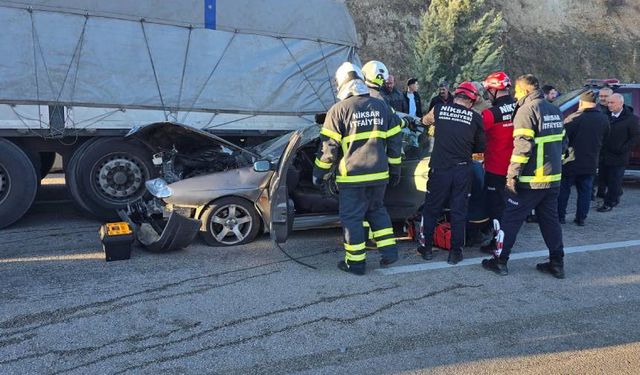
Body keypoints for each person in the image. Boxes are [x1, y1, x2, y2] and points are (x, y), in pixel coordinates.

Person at [313, 62, 403, 275]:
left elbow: (328, 150)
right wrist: (395, 168)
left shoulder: (338, 110)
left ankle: (355, 263)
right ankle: (389, 254)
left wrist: (319, 174)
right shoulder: (382, 107)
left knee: (352, 218)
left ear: (341, 83)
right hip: (379, 174)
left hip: (352, 177)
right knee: (377, 211)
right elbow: (396, 140)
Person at [481, 74, 567, 278]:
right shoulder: (554, 110)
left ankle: (500, 261)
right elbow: (563, 144)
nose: (515, 95)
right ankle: (557, 263)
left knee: (510, 219)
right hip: (553, 178)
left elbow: (522, 147)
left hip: (531, 179)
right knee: (550, 221)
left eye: (517, 91)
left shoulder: (526, 110)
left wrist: (512, 176)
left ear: (525, 91)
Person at [418, 82, 486, 264]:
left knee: (432, 208)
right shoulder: (475, 117)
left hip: (439, 169)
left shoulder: (439, 109)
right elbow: (481, 146)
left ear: (455, 95)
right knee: (459, 211)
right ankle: (456, 252)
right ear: (471, 101)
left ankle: (426, 249)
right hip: (462, 169)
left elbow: (424, 121)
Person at [557, 90, 609, 226]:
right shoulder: (603, 119)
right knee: (585, 192)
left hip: (571, 161)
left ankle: (560, 217)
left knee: (564, 191)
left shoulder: (574, 118)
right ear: (595, 102)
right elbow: (606, 137)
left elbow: (563, 138)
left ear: (581, 102)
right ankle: (581, 219)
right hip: (591, 161)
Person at [479, 71, 516, 252]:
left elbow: (476, 137)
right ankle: (508, 236)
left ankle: (498, 243)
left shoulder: (490, 114)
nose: (487, 94)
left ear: (494, 90)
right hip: (517, 166)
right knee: (511, 205)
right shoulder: (521, 108)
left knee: (496, 207)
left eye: (488, 91)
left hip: (496, 167)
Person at [596, 93, 640, 212]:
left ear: (621, 103)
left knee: (614, 180)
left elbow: (635, 137)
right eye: (608, 102)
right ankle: (612, 196)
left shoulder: (631, 119)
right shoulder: (605, 116)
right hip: (604, 155)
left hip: (619, 156)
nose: (609, 105)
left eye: (612, 103)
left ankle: (609, 203)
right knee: (603, 179)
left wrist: (623, 148)